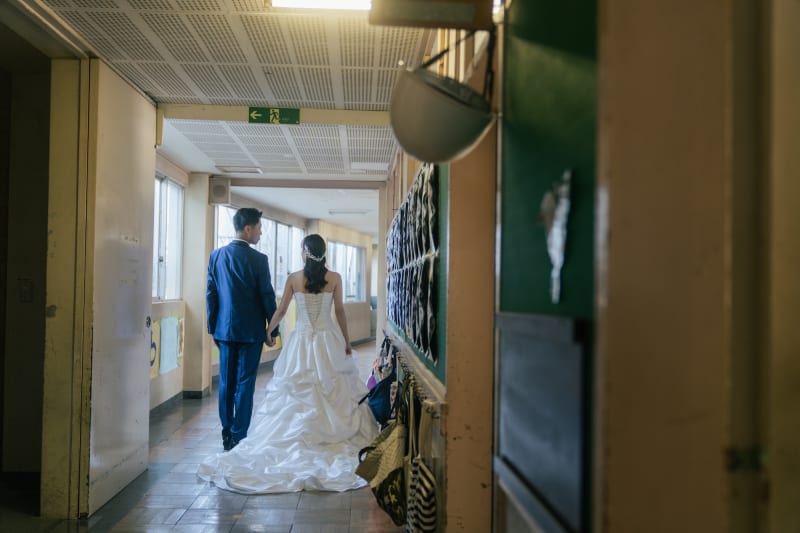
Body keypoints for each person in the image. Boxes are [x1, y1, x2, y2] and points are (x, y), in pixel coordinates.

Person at [198, 234, 378, 494]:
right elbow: (339, 312)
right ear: (323, 253)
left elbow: (281, 311)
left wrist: (268, 331)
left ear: (305, 252)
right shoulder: (336, 278)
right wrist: (347, 342)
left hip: (301, 342)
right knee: (331, 389)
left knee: (295, 390)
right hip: (328, 340)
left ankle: (292, 436)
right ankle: (327, 434)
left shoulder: (294, 278)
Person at [206, 207, 278, 452]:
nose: (260, 233)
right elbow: (267, 296)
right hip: (251, 333)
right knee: (245, 384)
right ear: (248, 229)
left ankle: (226, 432)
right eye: (259, 228)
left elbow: (211, 294)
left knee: (226, 383)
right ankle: (239, 436)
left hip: (224, 332)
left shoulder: (216, 256)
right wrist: (273, 330)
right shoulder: (259, 260)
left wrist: (213, 328)